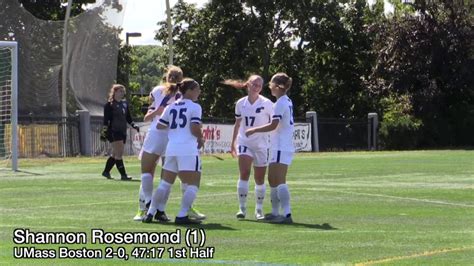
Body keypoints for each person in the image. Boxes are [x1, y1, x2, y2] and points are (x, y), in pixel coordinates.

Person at [133, 66, 206, 222]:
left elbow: (151, 118)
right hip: (176, 139)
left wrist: (159, 112)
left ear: (166, 77)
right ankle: (172, 210)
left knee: (149, 172)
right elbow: (193, 126)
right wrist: (200, 137)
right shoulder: (187, 97)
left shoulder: (159, 90)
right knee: (182, 178)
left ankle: (147, 207)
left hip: (158, 133)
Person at [245, 73, 294, 224]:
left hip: (281, 146)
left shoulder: (280, 103)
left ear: (278, 86)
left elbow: (274, 125)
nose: (269, 87)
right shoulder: (284, 101)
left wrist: (254, 130)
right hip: (279, 145)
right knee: (272, 180)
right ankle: (274, 212)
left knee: (279, 181)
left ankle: (287, 214)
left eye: (272, 84)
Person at [224, 75, 273, 220]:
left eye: (259, 85)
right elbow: (238, 123)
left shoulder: (267, 103)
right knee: (244, 173)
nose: (256, 87)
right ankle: (242, 208)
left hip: (261, 144)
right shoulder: (240, 103)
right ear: (248, 84)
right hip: (244, 142)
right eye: (254, 84)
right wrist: (233, 142)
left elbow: (273, 124)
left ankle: (259, 209)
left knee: (259, 178)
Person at [101, 84, 139, 181]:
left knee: (115, 154)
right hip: (114, 131)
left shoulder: (124, 104)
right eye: (120, 91)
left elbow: (128, 118)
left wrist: (134, 125)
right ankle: (123, 175)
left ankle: (106, 171)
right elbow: (106, 121)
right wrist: (104, 133)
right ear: (115, 92)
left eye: (123, 91)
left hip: (122, 131)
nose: (122, 93)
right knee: (119, 153)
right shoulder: (109, 105)